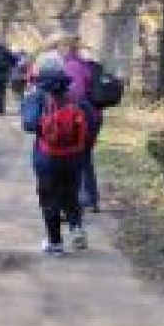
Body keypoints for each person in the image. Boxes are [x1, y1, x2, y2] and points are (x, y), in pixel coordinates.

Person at [21, 65, 98, 256]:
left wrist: (46, 127)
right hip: (74, 157)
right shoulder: (78, 99)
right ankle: (76, 227)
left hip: (46, 158)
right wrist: (83, 144)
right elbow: (93, 122)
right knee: (71, 194)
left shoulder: (36, 97)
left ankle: (55, 244)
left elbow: (29, 124)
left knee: (49, 199)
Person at [55, 33, 101, 213]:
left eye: (59, 47)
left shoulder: (72, 66)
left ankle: (82, 200)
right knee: (85, 158)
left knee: (75, 158)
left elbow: (76, 94)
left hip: (82, 117)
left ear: (66, 48)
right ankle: (91, 198)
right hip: (93, 116)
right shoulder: (83, 64)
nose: (58, 51)